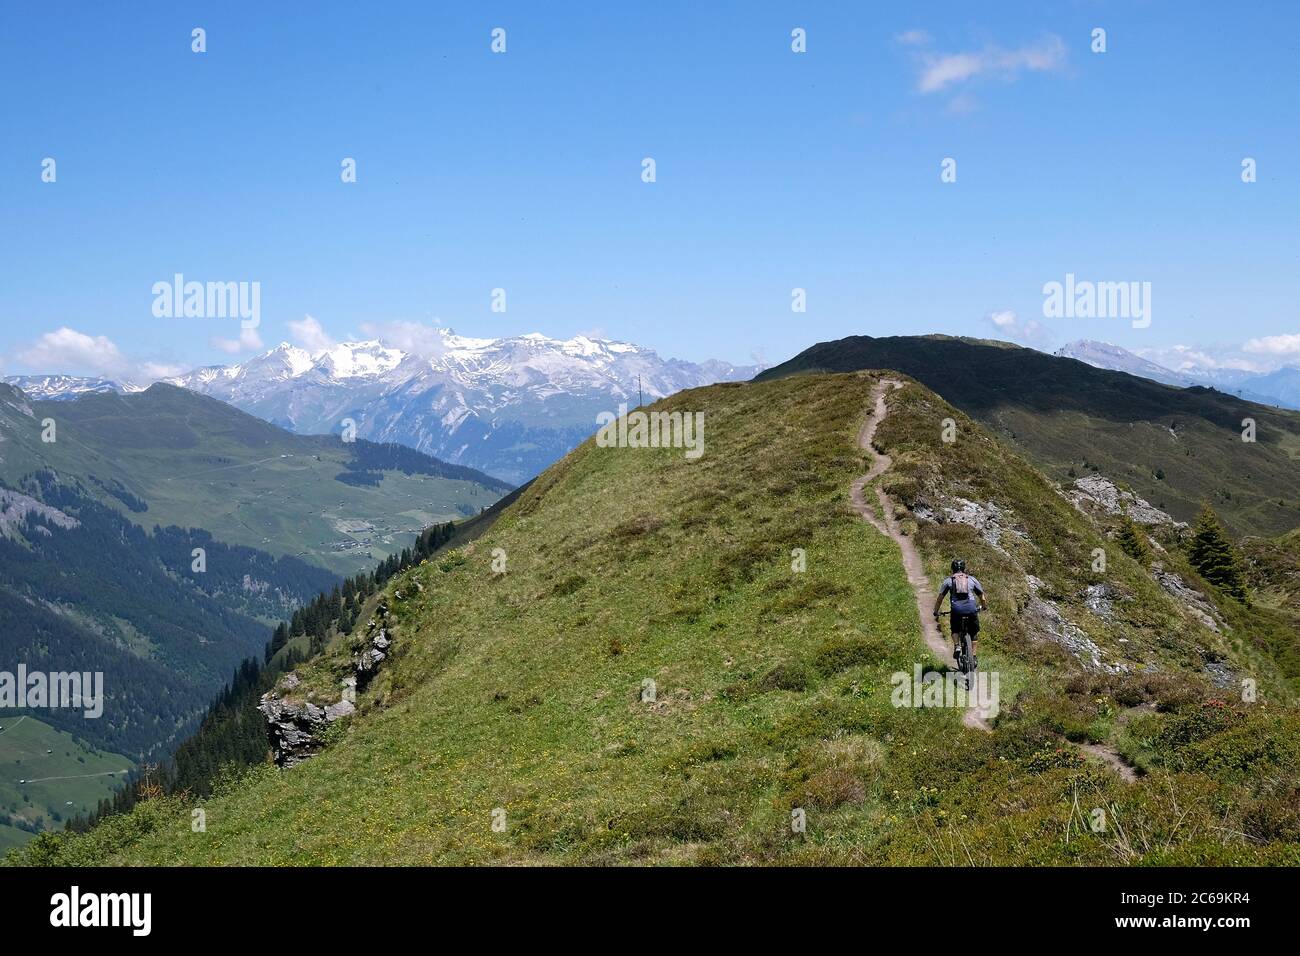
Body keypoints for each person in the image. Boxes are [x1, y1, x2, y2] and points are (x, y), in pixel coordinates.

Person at [932, 559, 987, 665]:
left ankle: (957, 645)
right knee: (974, 633)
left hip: (957, 609)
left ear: (952, 569)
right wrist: (983, 607)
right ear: (964, 568)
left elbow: (940, 599)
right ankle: (974, 657)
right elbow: (982, 597)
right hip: (971, 608)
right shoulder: (972, 579)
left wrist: (936, 611)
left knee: (955, 629)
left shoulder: (948, 581)